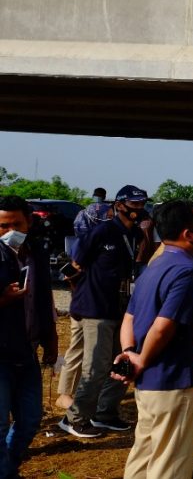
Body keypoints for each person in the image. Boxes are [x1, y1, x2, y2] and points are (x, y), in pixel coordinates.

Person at [114, 201, 193, 479]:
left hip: (147, 383)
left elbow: (129, 319)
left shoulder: (152, 267)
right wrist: (142, 360)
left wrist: (130, 354)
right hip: (173, 379)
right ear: (188, 234)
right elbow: (163, 326)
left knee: (144, 453)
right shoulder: (189, 272)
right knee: (170, 462)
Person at [60, 184, 148, 439]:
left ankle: (105, 413)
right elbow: (76, 265)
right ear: (118, 205)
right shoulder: (102, 232)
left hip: (119, 307)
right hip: (95, 307)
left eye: (142, 204)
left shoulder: (135, 235)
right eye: (133, 204)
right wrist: (80, 300)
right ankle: (75, 418)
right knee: (96, 366)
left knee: (122, 362)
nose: (138, 209)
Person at [0, 195, 58, 479]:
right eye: (2, 225)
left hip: (26, 350)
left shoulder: (35, 251)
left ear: (29, 222)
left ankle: (7, 468)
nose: (9, 231)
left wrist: (51, 338)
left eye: (16, 224)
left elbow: (44, 297)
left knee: (30, 419)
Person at [59, 187, 115, 409]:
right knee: (80, 346)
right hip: (86, 301)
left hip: (88, 299)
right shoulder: (93, 236)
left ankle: (69, 392)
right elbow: (74, 269)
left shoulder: (86, 215)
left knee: (82, 347)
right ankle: (67, 393)